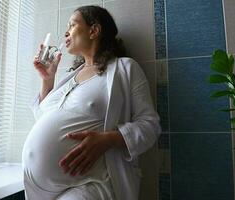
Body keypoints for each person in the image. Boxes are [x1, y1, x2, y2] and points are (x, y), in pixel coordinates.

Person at [22, 5, 161, 200]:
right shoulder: (69, 77)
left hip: (90, 182)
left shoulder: (125, 68)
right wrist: (47, 79)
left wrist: (109, 139)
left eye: (72, 25)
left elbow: (150, 126)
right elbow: (43, 119)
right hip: (41, 191)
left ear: (94, 30)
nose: (66, 31)